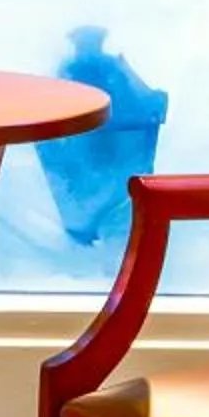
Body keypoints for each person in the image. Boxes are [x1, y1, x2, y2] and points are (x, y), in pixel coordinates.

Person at [43, 25, 169, 251]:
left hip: (111, 171)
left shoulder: (110, 70)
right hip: (95, 176)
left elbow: (147, 107)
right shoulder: (77, 70)